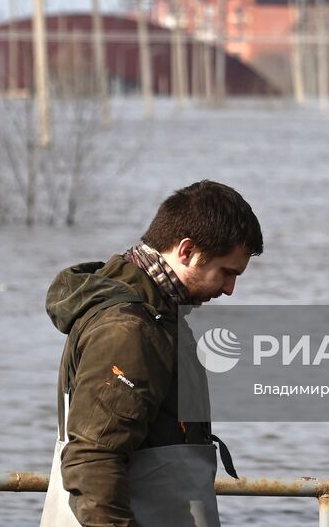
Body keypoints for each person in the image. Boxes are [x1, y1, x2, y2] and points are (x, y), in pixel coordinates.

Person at [40, 180, 263, 527]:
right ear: (186, 251)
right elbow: (92, 460)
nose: (230, 289)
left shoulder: (161, 313)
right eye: (227, 272)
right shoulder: (129, 329)